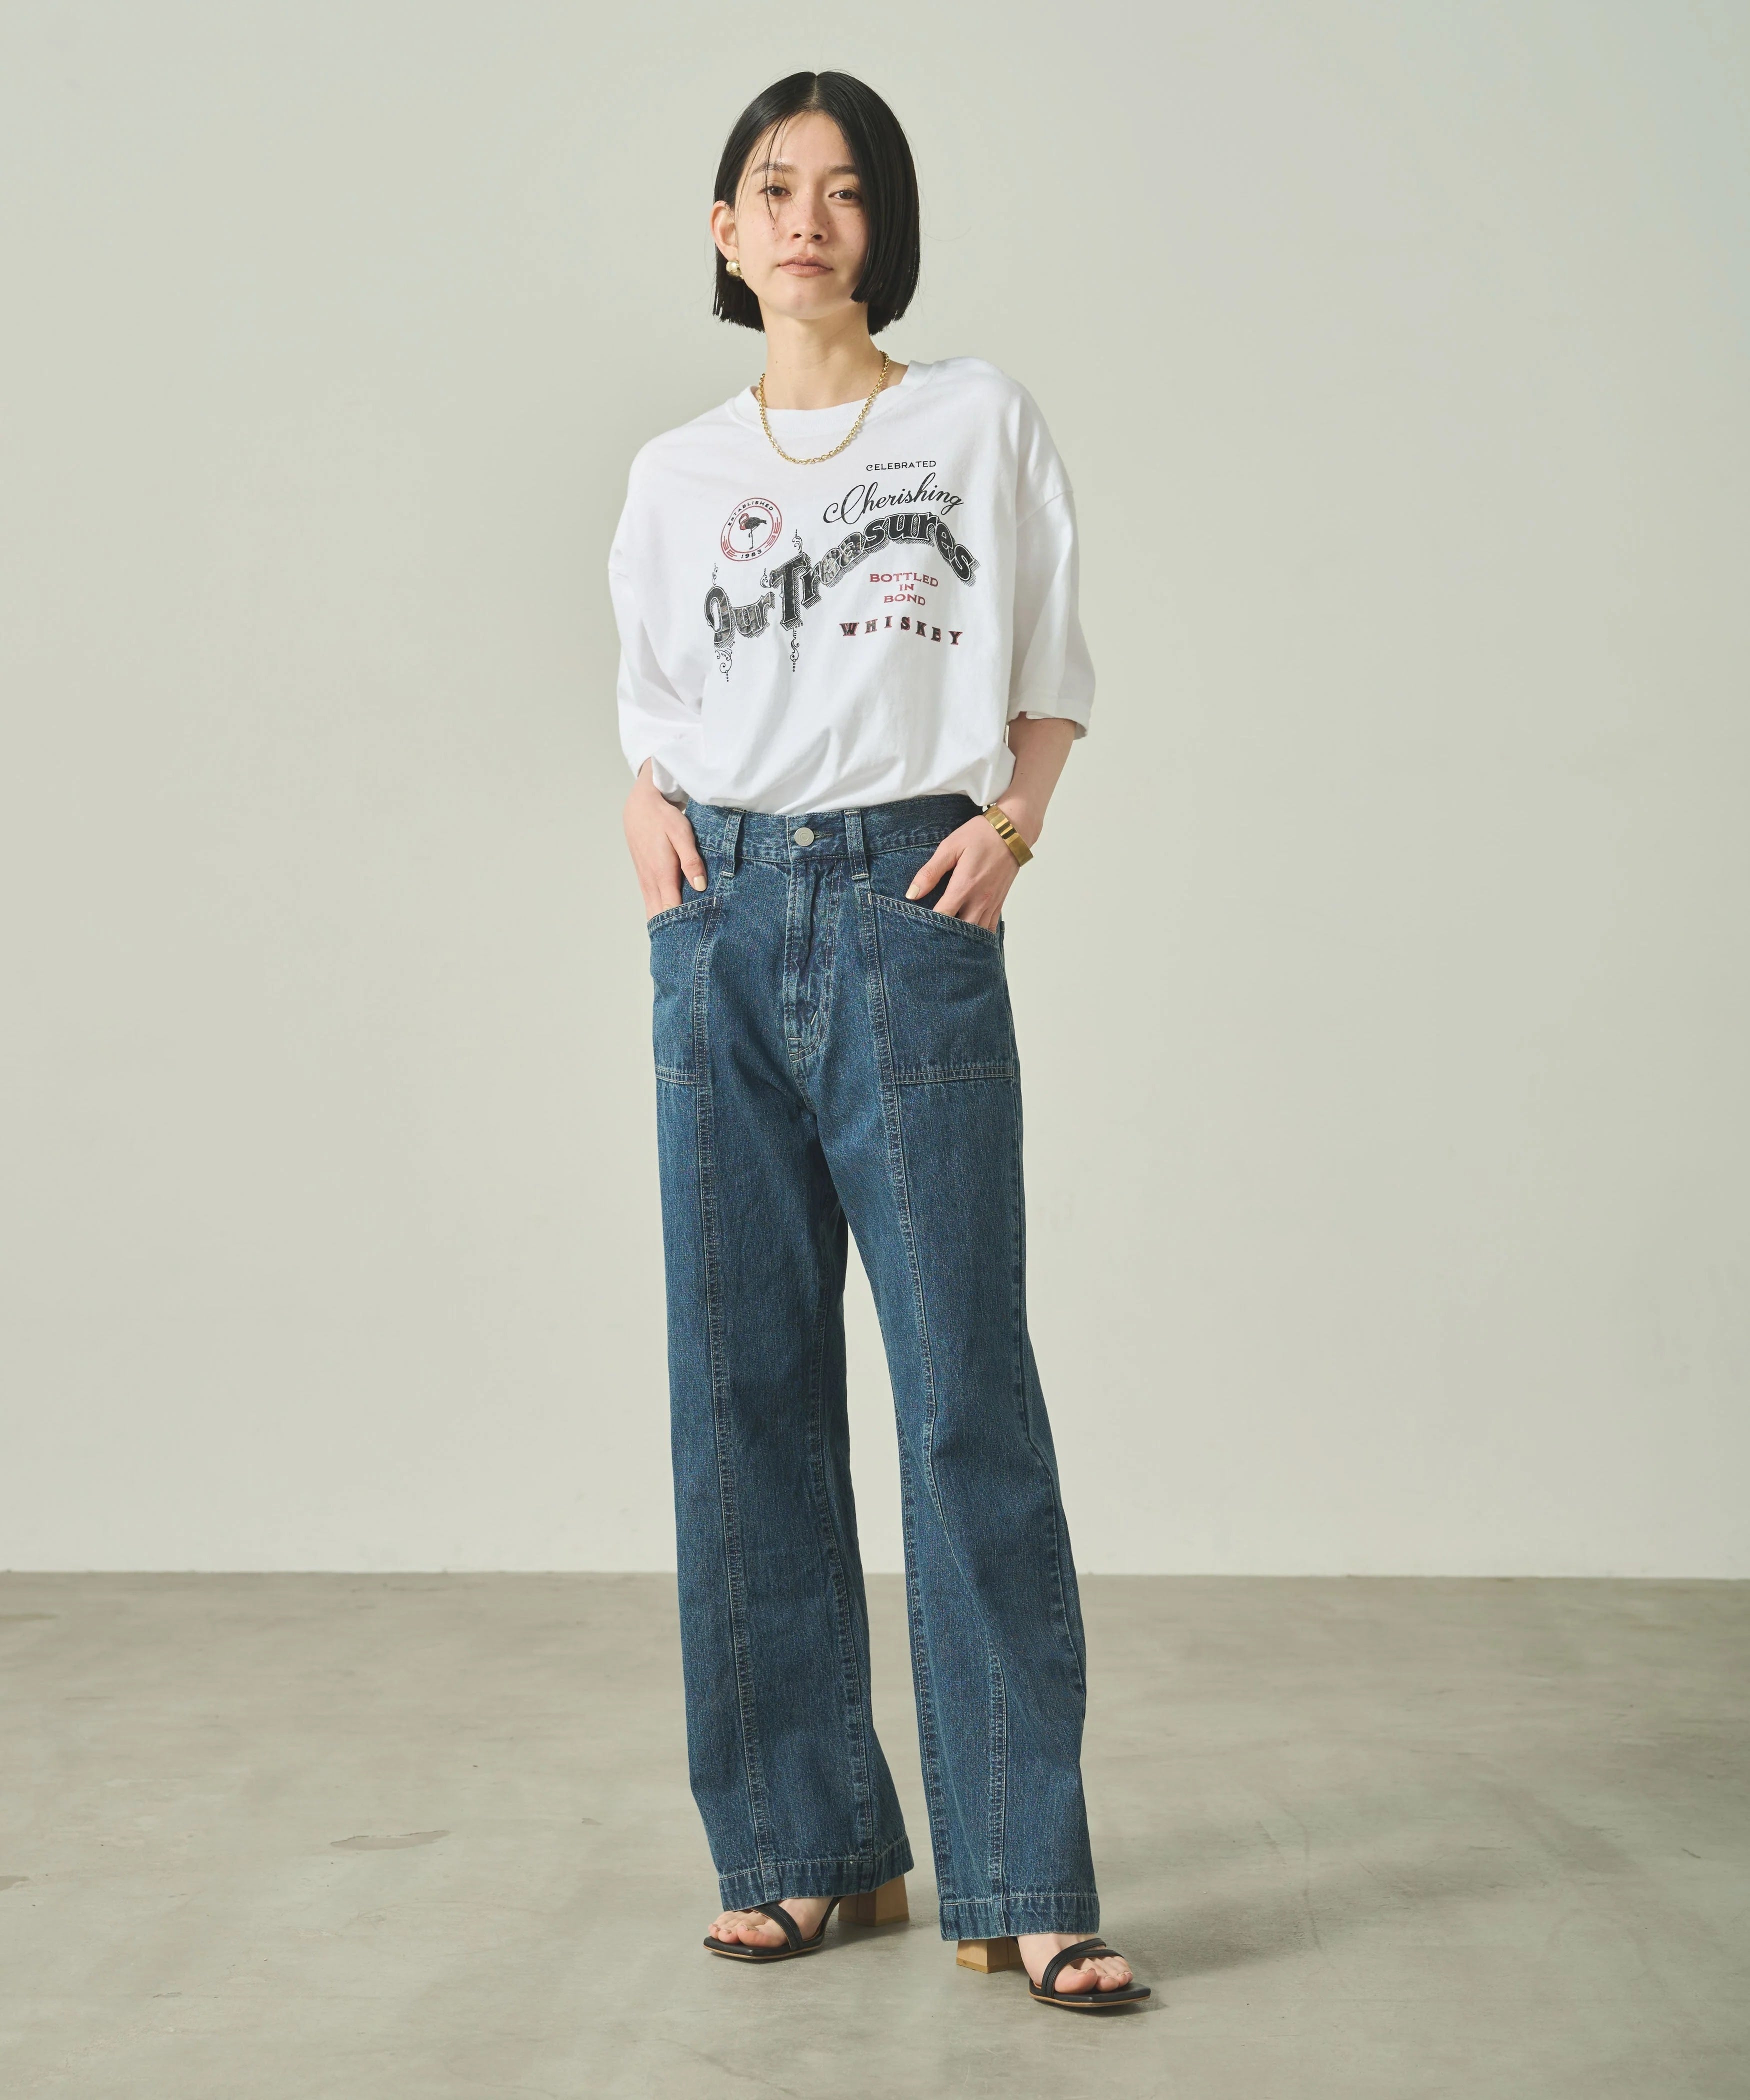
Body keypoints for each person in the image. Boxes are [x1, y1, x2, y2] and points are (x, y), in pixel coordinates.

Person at [608, 70, 1149, 2013]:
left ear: (882, 226)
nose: (807, 220)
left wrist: (1013, 825)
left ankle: (1024, 1877)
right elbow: (653, 704)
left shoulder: (971, 420)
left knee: (957, 1396)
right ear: (723, 228)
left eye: (843, 192)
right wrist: (645, 821)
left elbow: (1049, 669)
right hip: (722, 924)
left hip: (909, 909)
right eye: (773, 189)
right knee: (739, 1391)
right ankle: (799, 1850)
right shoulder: (675, 470)